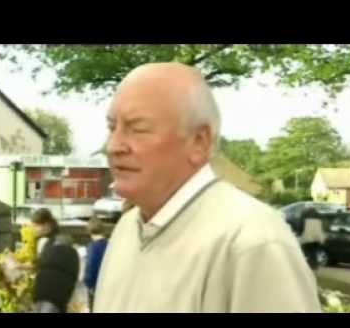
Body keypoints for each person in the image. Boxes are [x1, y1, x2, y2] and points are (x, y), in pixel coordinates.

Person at [93, 62, 321, 313]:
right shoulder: (126, 230)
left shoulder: (253, 242)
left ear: (199, 142)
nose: (113, 146)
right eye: (112, 127)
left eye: (138, 129)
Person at [83, 215, 109, 311]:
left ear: (89, 231)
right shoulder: (109, 244)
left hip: (96, 286)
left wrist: (88, 283)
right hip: (108, 285)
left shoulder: (92, 247)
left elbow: (91, 266)